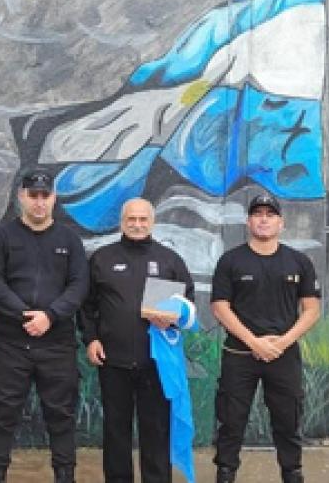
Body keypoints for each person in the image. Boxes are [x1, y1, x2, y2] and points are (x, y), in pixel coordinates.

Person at [0, 168, 89, 483]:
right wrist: (25, 316)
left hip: (57, 344)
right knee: (2, 416)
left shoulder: (70, 240)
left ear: (54, 198)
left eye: (45, 196)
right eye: (33, 196)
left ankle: (65, 476)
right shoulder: (2, 238)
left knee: (62, 416)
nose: (39, 203)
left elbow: (79, 285)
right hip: (11, 344)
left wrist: (50, 316)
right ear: (21, 197)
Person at [80, 198, 195, 483]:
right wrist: (91, 339)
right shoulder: (101, 258)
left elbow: (188, 304)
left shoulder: (170, 260)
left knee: (155, 430)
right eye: (131, 219)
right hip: (113, 362)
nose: (137, 224)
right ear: (122, 222)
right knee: (116, 431)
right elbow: (86, 306)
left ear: (152, 222)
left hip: (156, 363)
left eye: (143, 219)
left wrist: (174, 316)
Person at [211, 193, 321, 483]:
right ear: (249, 222)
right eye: (257, 214)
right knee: (231, 421)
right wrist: (254, 342)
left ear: (281, 223)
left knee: (288, 422)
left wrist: (282, 342)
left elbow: (311, 310)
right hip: (240, 355)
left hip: (283, 356)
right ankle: (225, 473)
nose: (263, 219)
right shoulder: (230, 260)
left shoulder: (298, 262)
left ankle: (292, 473)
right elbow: (220, 307)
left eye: (269, 214)